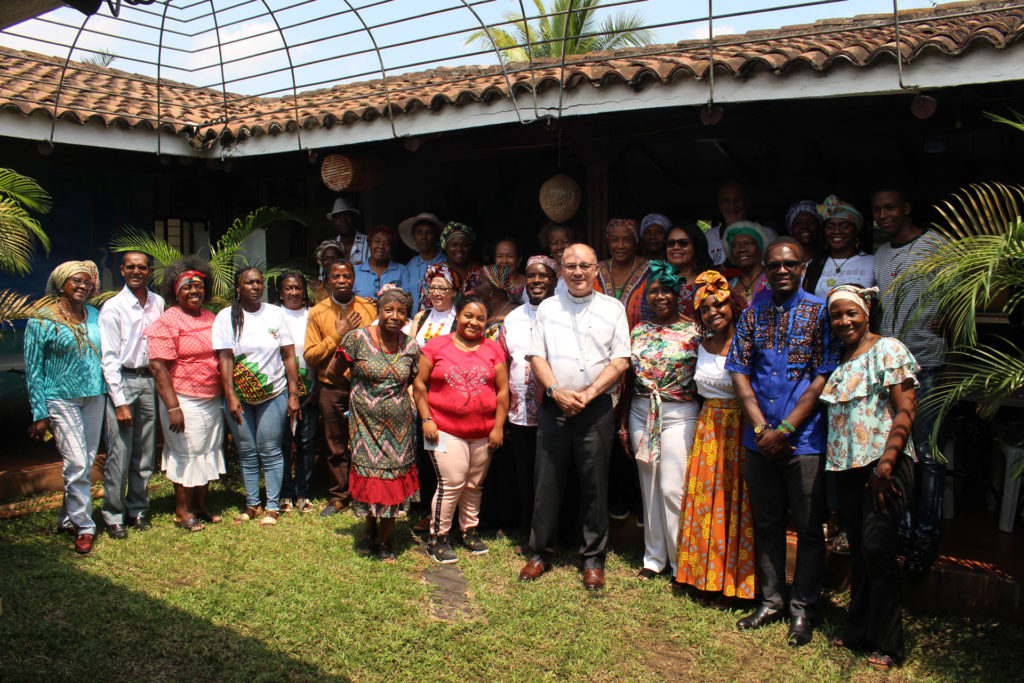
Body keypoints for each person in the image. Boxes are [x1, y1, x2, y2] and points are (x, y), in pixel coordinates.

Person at [726, 236, 838, 647]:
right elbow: (739, 371)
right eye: (774, 265)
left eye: (790, 264)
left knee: (809, 528)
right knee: (768, 522)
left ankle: (803, 609)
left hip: (802, 440)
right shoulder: (752, 315)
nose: (782, 271)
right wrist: (760, 430)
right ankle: (771, 600)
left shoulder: (820, 313)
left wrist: (786, 429)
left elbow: (823, 375)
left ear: (802, 266)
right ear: (767, 270)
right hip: (758, 440)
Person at [519, 243, 631, 590]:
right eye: (571, 266)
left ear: (597, 269)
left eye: (584, 265)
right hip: (555, 407)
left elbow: (621, 360)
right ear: (562, 271)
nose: (578, 272)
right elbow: (537, 356)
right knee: (547, 483)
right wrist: (555, 392)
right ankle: (539, 553)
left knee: (595, 485)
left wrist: (588, 394)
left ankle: (593, 558)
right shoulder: (548, 308)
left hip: (595, 409)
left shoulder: (613, 309)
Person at [820, 284, 918, 672]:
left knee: (878, 549)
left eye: (851, 314)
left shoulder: (889, 349)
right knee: (860, 549)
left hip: (884, 466)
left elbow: (906, 409)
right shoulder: (842, 359)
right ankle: (858, 626)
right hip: (848, 468)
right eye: (836, 315)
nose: (843, 321)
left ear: (867, 312)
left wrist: (887, 464)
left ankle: (890, 642)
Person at [871, 187, 947, 575]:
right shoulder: (881, 255)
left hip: (928, 364)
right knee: (898, 450)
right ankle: (900, 529)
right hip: (891, 368)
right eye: (877, 210)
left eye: (890, 208)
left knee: (930, 455)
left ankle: (926, 535)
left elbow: (962, 292)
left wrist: (950, 319)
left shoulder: (937, 244)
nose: (883, 215)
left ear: (907, 207)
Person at [675, 271, 757, 602]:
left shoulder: (748, 344)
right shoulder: (701, 346)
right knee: (706, 501)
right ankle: (700, 577)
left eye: (720, 305)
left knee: (736, 501)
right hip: (709, 427)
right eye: (706, 309)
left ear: (733, 305)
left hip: (742, 427)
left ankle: (735, 582)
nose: (714, 313)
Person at [619, 261, 701, 580]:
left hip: (679, 413)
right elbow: (627, 380)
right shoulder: (639, 330)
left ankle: (681, 563)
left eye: (666, 290)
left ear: (677, 293)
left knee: (672, 487)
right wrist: (624, 423)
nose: (659, 296)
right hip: (641, 410)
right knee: (649, 483)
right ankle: (654, 558)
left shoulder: (695, 330)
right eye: (653, 291)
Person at [413, 296, 509, 564]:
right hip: (444, 429)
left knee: (474, 484)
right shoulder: (436, 346)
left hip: (483, 431)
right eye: (468, 315)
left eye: (480, 318)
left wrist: (498, 426)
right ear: (458, 316)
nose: (474, 322)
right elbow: (420, 385)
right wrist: (426, 419)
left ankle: (469, 531)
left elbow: (502, 391)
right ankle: (438, 538)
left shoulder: (492, 349)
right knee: (451, 482)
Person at [25, 260, 104, 554]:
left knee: (85, 459)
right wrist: (40, 413)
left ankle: (66, 518)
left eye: (87, 282)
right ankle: (85, 526)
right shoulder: (41, 320)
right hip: (60, 398)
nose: (83, 286)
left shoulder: (94, 315)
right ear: (61, 284)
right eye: (76, 281)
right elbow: (34, 370)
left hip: (95, 396)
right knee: (77, 463)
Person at [337, 285, 420, 563]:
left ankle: (385, 541)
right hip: (364, 425)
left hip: (399, 429)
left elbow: (414, 382)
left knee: (393, 482)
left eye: (401, 312)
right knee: (370, 480)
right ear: (378, 311)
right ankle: (368, 532)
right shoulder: (356, 339)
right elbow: (333, 372)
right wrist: (359, 398)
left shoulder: (411, 346)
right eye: (389, 310)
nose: (395, 316)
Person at [213, 267, 301, 527]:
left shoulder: (275, 314)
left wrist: (293, 393)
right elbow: (225, 359)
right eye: (249, 283)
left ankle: (272, 506)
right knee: (247, 452)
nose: (255, 287)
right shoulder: (225, 317)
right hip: (239, 398)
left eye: (259, 282)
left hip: (273, 394)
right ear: (238, 287)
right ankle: (252, 503)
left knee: (271, 450)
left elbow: (288, 354)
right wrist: (229, 395)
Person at [145, 258, 225, 533]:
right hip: (183, 398)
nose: (194, 292)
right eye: (187, 287)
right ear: (176, 292)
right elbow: (158, 366)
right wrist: (173, 407)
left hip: (211, 398)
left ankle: (201, 504)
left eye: (199, 287)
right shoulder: (167, 321)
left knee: (207, 450)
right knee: (186, 451)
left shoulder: (211, 318)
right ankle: (182, 509)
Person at [98, 251, 164, 539]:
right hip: (123, 380)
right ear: (122, 270)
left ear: (149, 271)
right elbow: (109, 358)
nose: (136, 271)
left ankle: (137, 509)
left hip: (149, 381)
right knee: (119, 453)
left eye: (142, 267)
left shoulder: (158, 302)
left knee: (145, 452)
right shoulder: (113, 308)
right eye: (130, 267)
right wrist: (119, 401)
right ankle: (113, 515)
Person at [304, 260, 377, 516]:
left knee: (366, 443)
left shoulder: (369, 309)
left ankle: (364, 494)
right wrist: (339, 335)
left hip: (364, 387)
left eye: (347, 275)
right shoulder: (318, 312)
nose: (342, 280)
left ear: (354, 278)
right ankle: (339, 495)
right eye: (336, 276)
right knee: (335, 444)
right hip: (331, 389)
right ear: (329, 280)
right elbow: (311, 356)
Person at [498, 255, 558, 543]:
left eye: (543, 275)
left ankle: (552, 531)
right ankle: (527, 526)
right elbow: (502, 361)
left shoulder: (562, 313)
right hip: (519, 412)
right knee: (522, 470)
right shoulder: (513, 317)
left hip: (554, 408)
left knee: (551, 474)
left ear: (554, 281)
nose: (536, 281)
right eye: (531, 275)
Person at [406, 263, 461, 533]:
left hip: (446, 395)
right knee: (424, 449)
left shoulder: (459, 318)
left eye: (444, 288)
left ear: (454, 292)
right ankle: (427, 506)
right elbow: (408, 352)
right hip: (419, 393)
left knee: (445, 452)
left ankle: (449, 510)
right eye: (433, 287)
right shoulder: (421, 316)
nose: (437, 293)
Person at [277, 271, 317, 514]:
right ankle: (284, 493)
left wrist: (318, 385)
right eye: (288, 288)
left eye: (297, 288)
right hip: (278, 388)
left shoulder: (313, 315)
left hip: (309, 387)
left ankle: (303, 492)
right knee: (282, 442)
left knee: (306, 441)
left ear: (304, 290)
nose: (293, 292)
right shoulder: (272, 315)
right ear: (280, 292)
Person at [804, 195, 875, 300]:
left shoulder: (872, 262)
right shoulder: (813, 264)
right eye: (830, 227)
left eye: (844, 226)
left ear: (856, 231)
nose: (836, 231)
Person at [594, 218, 651, 330]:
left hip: (640, 343)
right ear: (608, 242)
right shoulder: (595, 271)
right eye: (614, 240)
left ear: (636, 242)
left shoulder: (651, 271)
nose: (620, 245)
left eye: (627, 240)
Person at [420, 222, 483, 308]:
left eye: (464, 245)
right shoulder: (434, 271)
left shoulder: (480, 271)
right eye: (454, 245)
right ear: (445, 246)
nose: (459, 249)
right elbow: (425, 306)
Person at [398, 212, 444, 312]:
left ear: (436, 236)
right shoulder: (411, 265)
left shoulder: (446, 263)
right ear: (414, 237)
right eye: (419, 232)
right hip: (414, 322)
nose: (424, 237)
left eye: (429, 232)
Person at [665, 223, 712, 319]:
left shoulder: (709, 282)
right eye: (671, 243)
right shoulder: (657, 282)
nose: (676, 247)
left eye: (683, 243)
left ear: (696, 246)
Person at [353, 224, 405, 299]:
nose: (381, 246)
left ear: (391, 248)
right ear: (369, 244)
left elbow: (406, 300)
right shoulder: (355, 271)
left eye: (387, 243)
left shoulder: (401, 270)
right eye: (377, 241)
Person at [477, 264, 516, 340]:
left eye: (480, 283)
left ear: (492, 290)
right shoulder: (483, 313)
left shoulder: (515, 316)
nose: (476, 288)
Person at [328, 197, 368, 265]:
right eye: (338, 217)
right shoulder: (330, 247)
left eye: (347, 215)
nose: (343, 220)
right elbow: (323, 274)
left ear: (354, 218)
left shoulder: (369, 242)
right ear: (333, 222)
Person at [785, 200, 823, 268]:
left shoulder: (827, 261)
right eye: (799, 223)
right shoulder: (784, 263)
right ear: (791, 228)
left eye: (811, 222)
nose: (805, 226)